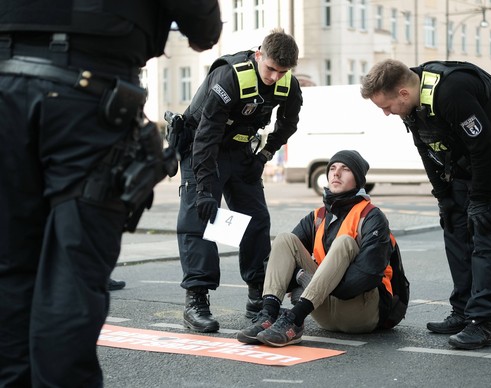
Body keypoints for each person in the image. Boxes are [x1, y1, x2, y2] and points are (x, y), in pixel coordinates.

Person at [0, 2, 222, 387]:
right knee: (74, 280)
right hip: (86, 102)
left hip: (6, 89)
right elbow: (202, 27)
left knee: (9, 274)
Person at [360, 59, 491, 350]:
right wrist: (443, 195)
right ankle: (463, 311)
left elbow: (485, 146)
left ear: (403, 93)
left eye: (386, 107)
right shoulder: (413, 103)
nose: (387, 114)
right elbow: (425, 147)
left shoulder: (450, 92)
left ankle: (482, 323)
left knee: (487, 227)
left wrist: (479, 200)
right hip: (466, 156)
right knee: (455, 222)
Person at [175, 28, 303, 333]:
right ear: (259, 55)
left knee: (256, 219)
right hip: (202, 149)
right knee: (199, 219)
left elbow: (289, 122)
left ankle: (258, 297)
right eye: (270, 68)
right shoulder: (230, 77)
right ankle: (196, 301)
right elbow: (205, 135)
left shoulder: (287, 83)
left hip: (241, 152)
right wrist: (205, 189)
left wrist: (264, 155)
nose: (274, 77)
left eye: (282, 71)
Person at [237, 150, 401, 347]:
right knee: (284, 240)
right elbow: (273, 264)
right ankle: (268, 315)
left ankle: (295, 319)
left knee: (344, 242)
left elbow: (367, 275)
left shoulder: (372, 216)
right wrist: (305, 280)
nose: (336, 174)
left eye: (345, 169)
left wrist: (307, 281)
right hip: (323, 314)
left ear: (358, 179)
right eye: (332, 168)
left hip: (363, 313)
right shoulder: (317, 217)